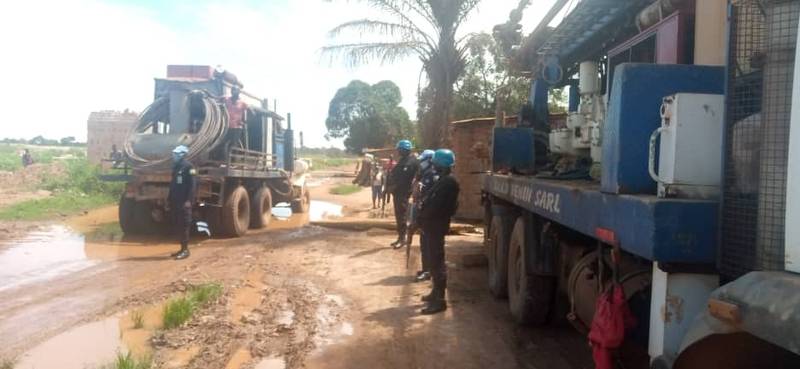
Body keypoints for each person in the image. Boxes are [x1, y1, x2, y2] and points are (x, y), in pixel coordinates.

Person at [418, 149, 459, 315]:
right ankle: (435, 292)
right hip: (431, 226)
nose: (433, 165)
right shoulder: (443, 180)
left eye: (435, 162)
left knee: (437, 263)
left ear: (441, 164)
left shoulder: (449, 183)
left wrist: (423, 216)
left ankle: (440, 301)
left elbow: (436, 207)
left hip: (436, 226)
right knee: (433, 261)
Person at [387, 140, 419, 249]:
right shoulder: (404, 160)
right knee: (399, 216)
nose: (398, 152)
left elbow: (404, 179)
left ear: (404, 150)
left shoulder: (410, 162)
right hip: (398, 193)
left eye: (399, 150)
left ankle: (403, 239)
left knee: (402, 217)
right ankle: (400, 237)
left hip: (403, 193)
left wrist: (393, 187)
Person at [410, 149, 436, 282]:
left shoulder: (430, 176)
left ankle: (428, 271)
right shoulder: (427, 174)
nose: (420, 163)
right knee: (425, 244)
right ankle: (427, 269)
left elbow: (423, 196)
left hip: (429, 217)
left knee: (427, 245)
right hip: (427, 216)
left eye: (423, 161)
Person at [167, 145, 195, 260]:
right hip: (176, 200)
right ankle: (181, 249)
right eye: (174, 153)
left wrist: (189, 200)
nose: (174, 155)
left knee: (184, 225)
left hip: (184, 201)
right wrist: (169, 198)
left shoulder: (190, 167)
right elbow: (173, 185)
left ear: (183, 154)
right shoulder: (176, 166)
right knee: (178, 224)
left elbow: (193, 186)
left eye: (177, 154)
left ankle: (185, 250)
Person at [223, 86, 248, 160]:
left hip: (237, 127)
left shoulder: (243, 103)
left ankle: (233, 160)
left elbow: (247, 112)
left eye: (235, 91)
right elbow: (216, 99)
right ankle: (225, 159)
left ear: (239, 93)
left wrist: (244, 121)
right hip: (227, 125)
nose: (233, 92)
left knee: (234, 145)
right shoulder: (226, 99)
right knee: (224, 143)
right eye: (232, 90)